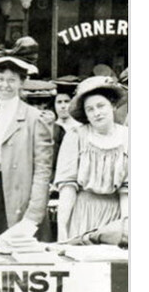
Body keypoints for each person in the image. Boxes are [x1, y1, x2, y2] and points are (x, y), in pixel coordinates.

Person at [0, 37, 55, 243]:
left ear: (22, 82)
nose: (5, 85)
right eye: (0, 79)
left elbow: (42, 172)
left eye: (12, 80)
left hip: (17, 199)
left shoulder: (35, 119)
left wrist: (33, 216)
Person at [54, 76, 128, 243]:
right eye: (90, 109)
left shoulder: (128, 137)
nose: (97, 113)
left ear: (113, 106)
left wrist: (125, 226)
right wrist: (62, 228)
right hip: (82, 213)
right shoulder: (76, 136)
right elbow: (67, 187)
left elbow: (127, 191)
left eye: (101, 106)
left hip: (115, 216)